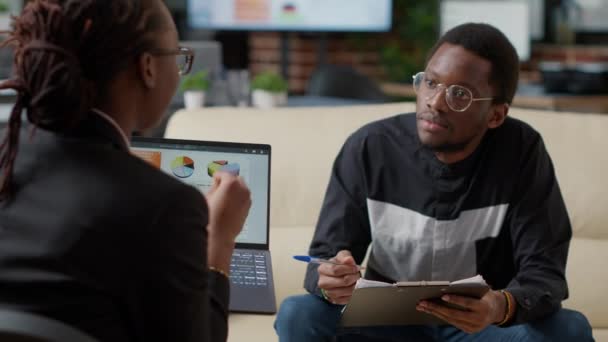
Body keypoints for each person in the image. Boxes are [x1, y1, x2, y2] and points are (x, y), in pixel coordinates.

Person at [274, 23, 593, 342]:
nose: (435, 102)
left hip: (480, 329)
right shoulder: (371, 148)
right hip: (385, 326)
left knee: (569, 330)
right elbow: (324, 258)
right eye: (430, 82)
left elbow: (544, 275)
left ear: (495, 115)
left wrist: (499, 306)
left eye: (459, 94)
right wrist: (332, 278)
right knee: (299, 314)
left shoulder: (522, 152)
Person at [0, 1, 251, 341]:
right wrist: (219, 239)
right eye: (177, 57)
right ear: (147, 68)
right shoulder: (164, 206)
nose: (178, 71)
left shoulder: (8, 155)